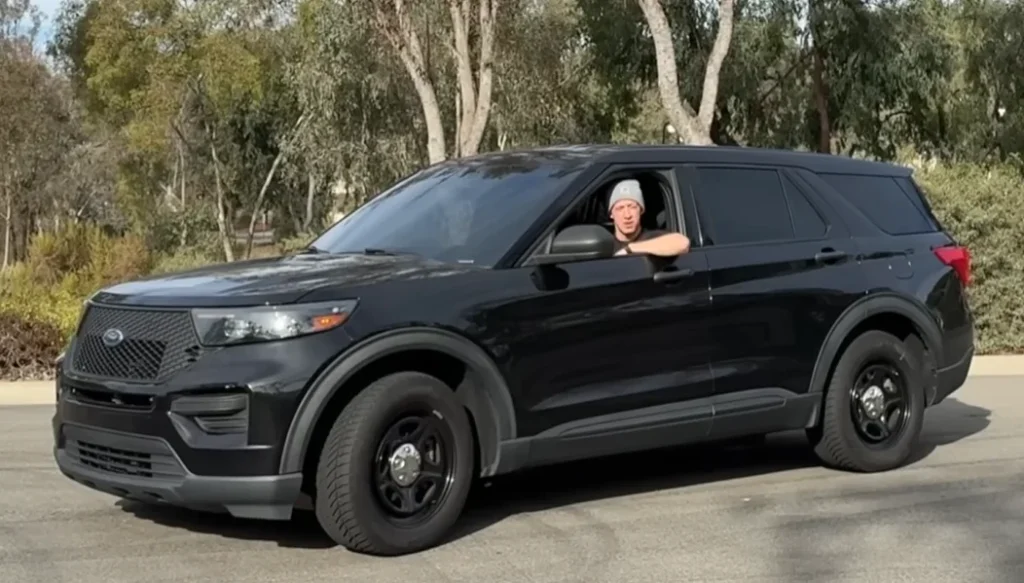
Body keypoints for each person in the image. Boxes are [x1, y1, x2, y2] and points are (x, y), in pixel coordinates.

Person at [606, 179, 690, 257]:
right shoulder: (605, 245)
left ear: (641, 210)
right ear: (611, 214)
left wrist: (629, 249)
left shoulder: (652, 238)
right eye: (620, 208)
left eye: (632, 207)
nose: (627, 215)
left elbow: (683, 243)